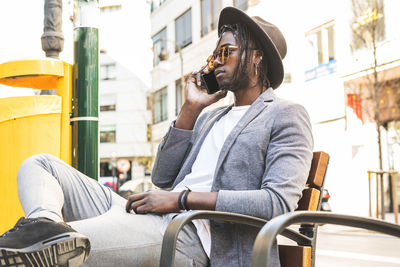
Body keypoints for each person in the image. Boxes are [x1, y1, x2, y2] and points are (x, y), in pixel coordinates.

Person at [0, 6, 313, 267]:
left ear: (257, 57)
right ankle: (44, 227)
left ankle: (47, 241)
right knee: (40, 165)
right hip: (154, 218)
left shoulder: (285, 115)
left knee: (55, 250)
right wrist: (190, 110)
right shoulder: (211, 116)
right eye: (215, 53)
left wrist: (180, 200)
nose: (216, 60)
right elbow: (162, 176)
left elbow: (277, 203)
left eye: (226, 52)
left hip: (194, 237)